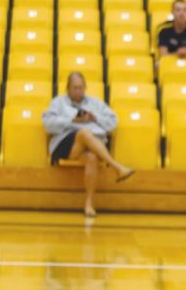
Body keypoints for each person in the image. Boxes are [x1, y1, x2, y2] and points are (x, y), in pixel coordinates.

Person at [42, 72, 134, 218]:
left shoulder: (95, 103)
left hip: (90, 146)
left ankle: (89, 205)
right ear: (68, 88)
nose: (78, 91)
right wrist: (72, 120)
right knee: (84, 132)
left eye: (80, 88)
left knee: (92, 158)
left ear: (85, 87)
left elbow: (113, 123)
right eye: (74, 88)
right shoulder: (58, 102)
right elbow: (48, 124)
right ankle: (117, 167)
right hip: (65, 144)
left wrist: (95, 117)